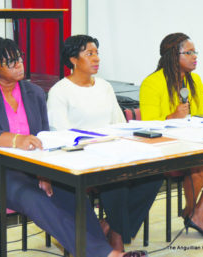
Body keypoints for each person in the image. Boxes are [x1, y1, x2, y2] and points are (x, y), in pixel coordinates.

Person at [0, 36, 143, 257]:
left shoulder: (33, 93)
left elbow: (44, 137)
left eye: (19, 58)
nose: (19, 64)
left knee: (72, 191)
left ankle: (98, 249)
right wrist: (16, 139)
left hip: (30, 168)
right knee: (31, 196)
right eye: (10, 61)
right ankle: (106, 254)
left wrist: (46, 174)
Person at [47, 34, 163, 253]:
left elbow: (119, 124)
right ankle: (117, 239)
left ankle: (111, 227)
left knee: (154, 176)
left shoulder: (104, 86)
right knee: (115, 180)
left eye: (97, 53)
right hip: (80, 158)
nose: (96, 59)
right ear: (73, 59)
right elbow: (61, 134)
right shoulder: (60, 91)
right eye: (89, 54)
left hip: (112, 151)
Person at [140, 32, 203, 239]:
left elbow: (201, 115)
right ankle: (195, 213)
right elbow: (147, 126)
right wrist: (171, 117)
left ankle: (196, 213)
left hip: (191, 142)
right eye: (189, 52)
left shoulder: (195, 80)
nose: (195, 57)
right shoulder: (152, 83)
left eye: (195, 52)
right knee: (200, 167)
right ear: (173, 56)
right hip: (164, 146)